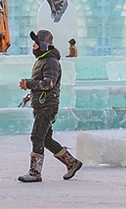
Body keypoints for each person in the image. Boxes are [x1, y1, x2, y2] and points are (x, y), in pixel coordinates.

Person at [18, 29, 82, 183]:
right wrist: (30, 94)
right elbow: (43, 84)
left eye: (36, 43)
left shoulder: (51, 61)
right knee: (45, 139)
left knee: (37, 137)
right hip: (42, 105)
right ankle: (72, 163)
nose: (33, 46)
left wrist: (29, 84)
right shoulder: (43, 60)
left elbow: (48, 83)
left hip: (47, 106)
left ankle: (35, 172)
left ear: (44, 45)